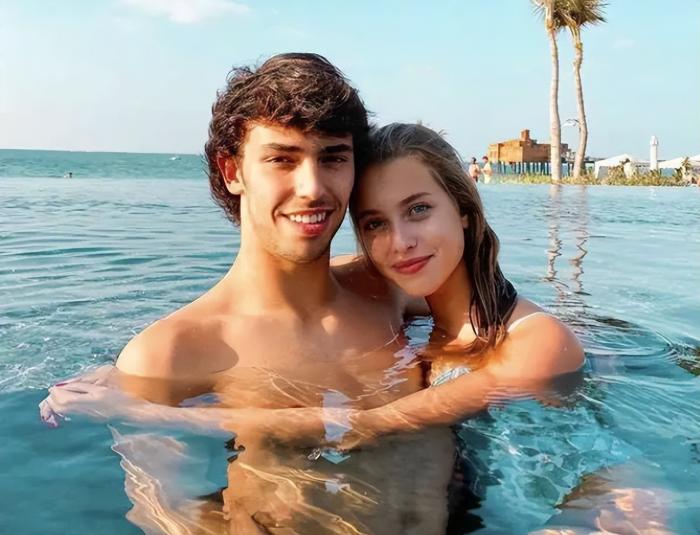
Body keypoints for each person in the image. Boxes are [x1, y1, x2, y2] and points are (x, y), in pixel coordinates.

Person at [41, 54, 458, 534]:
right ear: (232, 171)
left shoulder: (389, 288)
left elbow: (495, 312)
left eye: (333, 158)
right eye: (282, 159)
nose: (312, 187)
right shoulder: (172, 353)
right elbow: (163, 509)